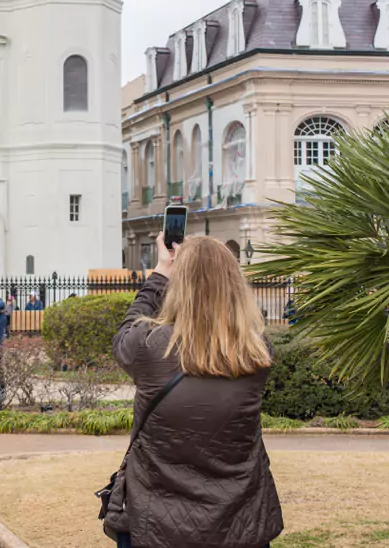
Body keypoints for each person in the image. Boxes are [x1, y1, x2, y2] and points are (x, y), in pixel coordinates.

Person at [110, 234, 282, 548]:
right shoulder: (257, 353)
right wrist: (210, 255)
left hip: (156, 523)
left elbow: (126, 331)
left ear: (180, 285)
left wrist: (162, 271)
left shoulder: (148, 347)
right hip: (239, 522)